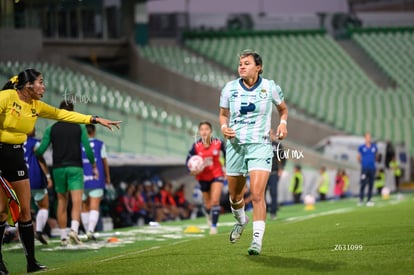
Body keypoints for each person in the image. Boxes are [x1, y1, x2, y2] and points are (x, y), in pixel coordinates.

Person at [0, 69, 120, 274]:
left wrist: (95, 119)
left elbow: (62, 114)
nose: (44, 86)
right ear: (28, 85)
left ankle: (31, 263)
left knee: (25, 211)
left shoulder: (36, 106)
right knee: (1, 211)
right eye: (40, 82)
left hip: (16, 156)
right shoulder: (6, 97)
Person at [219, 50, 288, 255]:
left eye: (246, 63)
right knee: (234, 196)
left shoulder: (270, 87)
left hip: (260, 145)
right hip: (235, 146)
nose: (241, 66)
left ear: (258, 67)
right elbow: (223, 115)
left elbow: (283, 109)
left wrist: (283, 124)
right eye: (240, 63)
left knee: (257, 194)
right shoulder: (229, 88)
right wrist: (223, 128)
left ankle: (257, 240)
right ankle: (241, 221)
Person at [36, 101, 100, 246]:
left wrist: (35, 154)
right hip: (75, 167)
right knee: (77, 201)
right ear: (72, 111)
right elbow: (88, 149)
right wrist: (94, 166)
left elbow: (40, 150)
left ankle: (63, 236)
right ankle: (74, 231)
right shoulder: (79, 127)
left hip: (58, 168)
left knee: (62, 201)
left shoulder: (51, 129)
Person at [186, 121, 226, 235]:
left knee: (215, 201)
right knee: (208, 204)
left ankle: (214, 227)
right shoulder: (196, 146)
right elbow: (188, 160)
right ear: (199, 132)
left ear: (211, 131)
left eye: (206, 129)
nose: (204, 132)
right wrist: (191, 171)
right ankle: (208, 214)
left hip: (217, 175)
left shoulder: (218, 143)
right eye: (202, 129)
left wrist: (227, 167)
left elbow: (227, 153)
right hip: (202, 177)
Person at [80, 124, 111, 241]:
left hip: (82, 178)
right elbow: (104, 161)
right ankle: (90, 230)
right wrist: (107, 177)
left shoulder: (79, 144)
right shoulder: (99, 144)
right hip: (96, 178)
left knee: (84, 206)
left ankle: (87, 229)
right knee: (94, 205)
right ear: (94, 131)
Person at [24, 128, 53, 245]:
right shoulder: (34, 142)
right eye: (32, 127)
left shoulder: (14, 143)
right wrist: (48, 176)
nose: (34, 129)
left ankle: (21, 235)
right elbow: (40, 159)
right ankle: (39, 231)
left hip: (19, 178)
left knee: (22, 209)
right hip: (34, 177)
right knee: (44, 205)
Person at [266, 137, 286, 219]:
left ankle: (273, 212)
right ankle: (263, 211)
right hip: (263, 173)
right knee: (260, 194)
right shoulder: (261, 143)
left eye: (271, 133)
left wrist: (281, 168)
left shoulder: (277, 145)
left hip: (274, 172)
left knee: (273, 193)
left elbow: (283, 157)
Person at [357, 132, 378, 206]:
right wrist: (363, 163)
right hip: (364, 168)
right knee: (363, 183)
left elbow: (376, 156)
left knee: (371, 184)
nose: (369, 138)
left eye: (370, 137)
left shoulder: (374, 147)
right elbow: (358, 157)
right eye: (367, 137)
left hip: (372, 168)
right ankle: (361, 198)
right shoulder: (361, 147)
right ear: (365, 138)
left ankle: (369, 199)